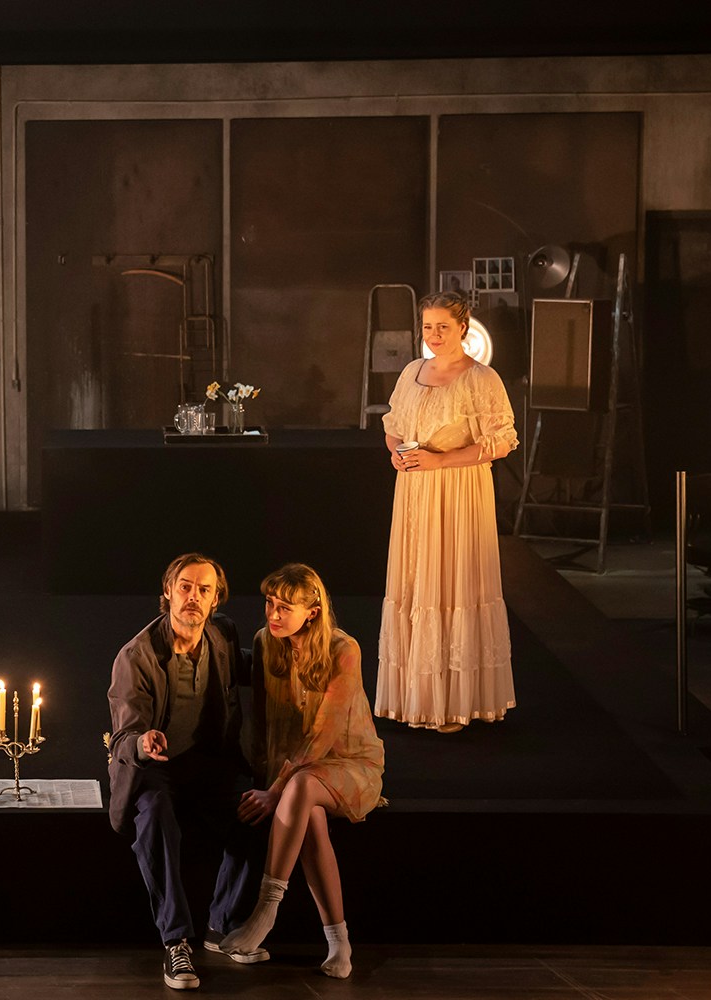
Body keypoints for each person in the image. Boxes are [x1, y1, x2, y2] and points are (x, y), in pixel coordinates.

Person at [107, 553, 266, 991]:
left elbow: (254, 665)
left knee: (258, 809)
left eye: (204, 589)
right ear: (167, 592)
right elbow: (124, 736)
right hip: (156, 770)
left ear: (216, 599)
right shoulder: (136, 656)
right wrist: (143, 742)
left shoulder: (224, 634)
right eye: (185, 586)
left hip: (211, 764)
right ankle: (176, 941)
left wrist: (308, 649)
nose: (193, 597)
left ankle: (222, 927)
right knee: (156, 815)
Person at [221, 563, 384, 979]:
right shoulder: (264, 642)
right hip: (294, 773)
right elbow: (262, 724)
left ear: (311, 611)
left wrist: (275, 791)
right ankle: (339, 942)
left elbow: (321, 737)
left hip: (347, 762)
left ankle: (265, 911)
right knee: (308, 813)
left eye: (283, 608)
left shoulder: (343, 650)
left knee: (303, 785)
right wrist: (265, 779)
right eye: (269, 604)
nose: (272, 615)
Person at [377, 290, 519, 732]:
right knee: (417, 584)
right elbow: (393, 427)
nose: (435, 335)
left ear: (463, 327)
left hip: (458, 492)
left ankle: (453, 702)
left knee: (451, 583)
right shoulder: (411, 372)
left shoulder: (481, 378)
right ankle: (414, 696)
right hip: (415, 492)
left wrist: (440, 461)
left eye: (443, 326)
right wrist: (398, 452)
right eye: (428, 327)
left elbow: (503, 441)